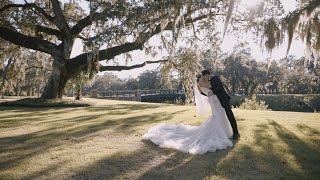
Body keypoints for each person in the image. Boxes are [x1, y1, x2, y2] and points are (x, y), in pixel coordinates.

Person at [142, 73, 233, 155]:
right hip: (213, 101)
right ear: (200, 78)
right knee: (217, 115)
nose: (205, 78)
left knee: (218, 115)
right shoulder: (202, 84)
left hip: (214, 100)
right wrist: (211, 85)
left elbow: (211, 88)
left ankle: (224, 131)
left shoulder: (201, 85)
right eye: (203, 77)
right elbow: (211, 88)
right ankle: (221, 132)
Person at [200, 70, 240, 140]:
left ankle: (236, 133)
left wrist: (213, 92)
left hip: (224, 99)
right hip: (217, 102)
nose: (203, 78)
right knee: (222, 117)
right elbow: (207, 92)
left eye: (204, 77)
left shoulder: (214, 78)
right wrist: (204, 93)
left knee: (230, 115)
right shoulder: (208, 82)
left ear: (207, 75)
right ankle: (225, 132)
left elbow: (220, 87)